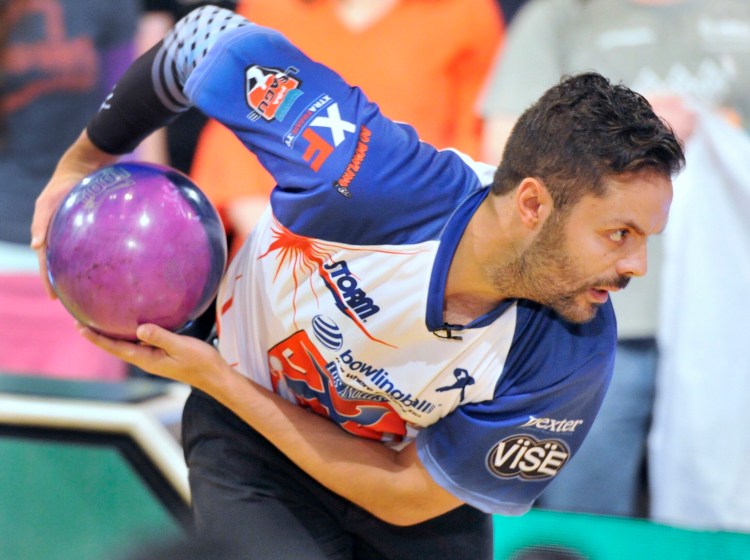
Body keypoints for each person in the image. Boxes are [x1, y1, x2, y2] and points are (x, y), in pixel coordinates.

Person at [30, 6, 684, 559]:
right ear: (535, 208)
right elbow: (201, 39)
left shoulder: (575, 346)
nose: (636, 268)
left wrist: (215, 377)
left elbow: (405, 495)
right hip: (251, 448)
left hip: (405, 490)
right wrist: (84, 160)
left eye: (645, 239)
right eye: (618, 234)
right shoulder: (365, 171)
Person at [480, 0, 750, 519]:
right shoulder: (564, 14)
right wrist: (627, 131)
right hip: (598, 325)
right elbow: (505, 154)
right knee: (584, 517)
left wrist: (726, 131)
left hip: (730, 331)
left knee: (725, 513)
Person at [189, 0, 504, 257]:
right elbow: (231, 148)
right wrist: (302, 252)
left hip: (418, 254)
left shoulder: (464, 12)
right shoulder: (271, 9)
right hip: (282, 258)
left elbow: (475, 150)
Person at [0, 0, 138, 379]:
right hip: (4, 253)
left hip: (84, 261)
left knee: (90, 432)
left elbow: (137, 119)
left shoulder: (111, 6)